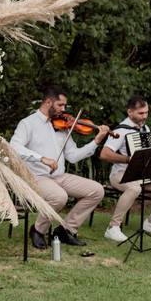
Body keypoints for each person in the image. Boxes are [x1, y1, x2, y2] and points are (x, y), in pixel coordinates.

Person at [10, 85, 110, 249]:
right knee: (59, 197)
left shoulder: (61, 126)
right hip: (37, 177)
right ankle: (38, 230)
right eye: (60, 105)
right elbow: (14, 146)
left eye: (64, 106)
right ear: (48, 102)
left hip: (59, 176)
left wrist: (96, 141)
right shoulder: (28, 123)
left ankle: (66, 230)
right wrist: (41, 158)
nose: (63, 110)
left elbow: (73, 156)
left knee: (97, 190)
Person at [100, 95, 151, 242]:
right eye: (141, 113)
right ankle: (113, 228)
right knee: (134, 188)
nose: (144, 116)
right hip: (121, 174)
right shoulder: (121, 130)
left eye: (146, 112)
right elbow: (104, 154)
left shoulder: (145, 129)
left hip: (144, 176)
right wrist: (128, 159)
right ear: (130, 112)